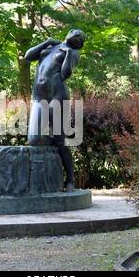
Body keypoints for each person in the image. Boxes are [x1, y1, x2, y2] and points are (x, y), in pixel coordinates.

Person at [24, 29, 86, 192]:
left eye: (79, 35)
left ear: (79, 43)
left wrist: (66, 55)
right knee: (34, 139)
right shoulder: (51, 46)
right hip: (39, 96)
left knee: (60, 139)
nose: (75, 34)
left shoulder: (73, 53)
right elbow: (28, 56)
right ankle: (53, 153)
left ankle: (70, 179)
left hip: (57, 96)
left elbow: (65, 74)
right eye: (74, 31)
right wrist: (46, 42)